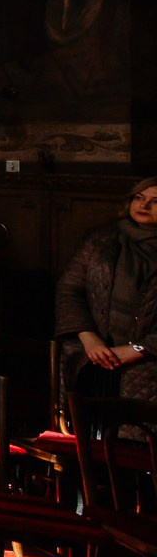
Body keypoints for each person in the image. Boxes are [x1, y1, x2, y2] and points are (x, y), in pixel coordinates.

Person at [54, 176, 157, 415]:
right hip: (91, 353)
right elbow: (69, 289)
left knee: (133, 444)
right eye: (139, 198)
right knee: (80, 435)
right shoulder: (102, 239)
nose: (144, 205)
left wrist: (138, 349)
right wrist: (89, 337)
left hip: (146, 365)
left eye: (155, 201)